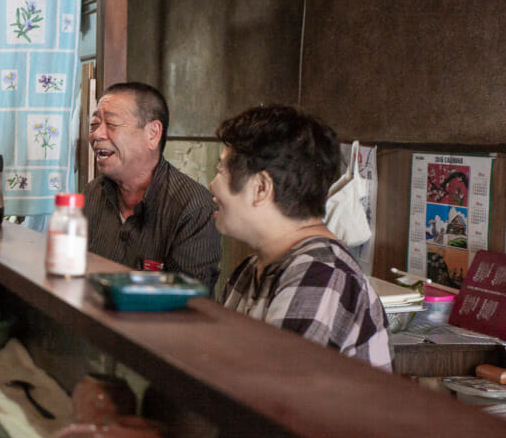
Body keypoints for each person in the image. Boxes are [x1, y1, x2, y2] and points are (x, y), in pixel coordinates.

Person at [210, 105, 390, 369]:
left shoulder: (321, 275)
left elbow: (269, 395)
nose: (213, 185)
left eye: (221, 171)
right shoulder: (250, 269)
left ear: (261, 188)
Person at [85, 82, 221, 290]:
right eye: (94, 125)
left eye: (111, 124)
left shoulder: (193, 209)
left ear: (153, 134)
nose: (97, 135)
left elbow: (191, 306)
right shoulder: (92, 194)